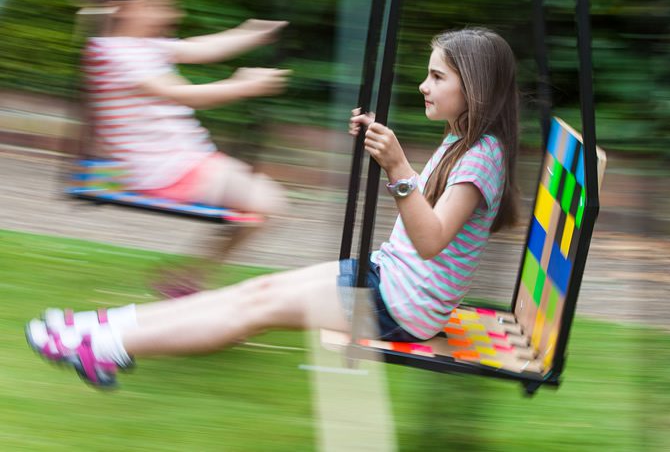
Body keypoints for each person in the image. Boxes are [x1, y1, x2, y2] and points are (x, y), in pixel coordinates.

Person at [25, 27, 521, 389]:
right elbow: (426, 218)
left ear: (472, 87)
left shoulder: (483, 157)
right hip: (389, 281)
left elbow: (431, 240)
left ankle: (106, 344)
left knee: (252, 308)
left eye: (436, 76)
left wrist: (396, 168)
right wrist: (384, 154)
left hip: (401, 307)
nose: (423, 85)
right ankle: (103, 326)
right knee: (254, 292)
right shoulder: (465, 139)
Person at [71, 0, 290, 295]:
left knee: (265, 205)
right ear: (129, 8)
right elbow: (179, 94)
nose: (173, 15)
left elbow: (204, 47)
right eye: (162, 6)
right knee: (269, 205)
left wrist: (250, 32)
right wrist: (241, 86)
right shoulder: (117, 53)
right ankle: (191, 277)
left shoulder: (141, 46)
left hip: (181, 161)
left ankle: (191, 277)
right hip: (163, 168)